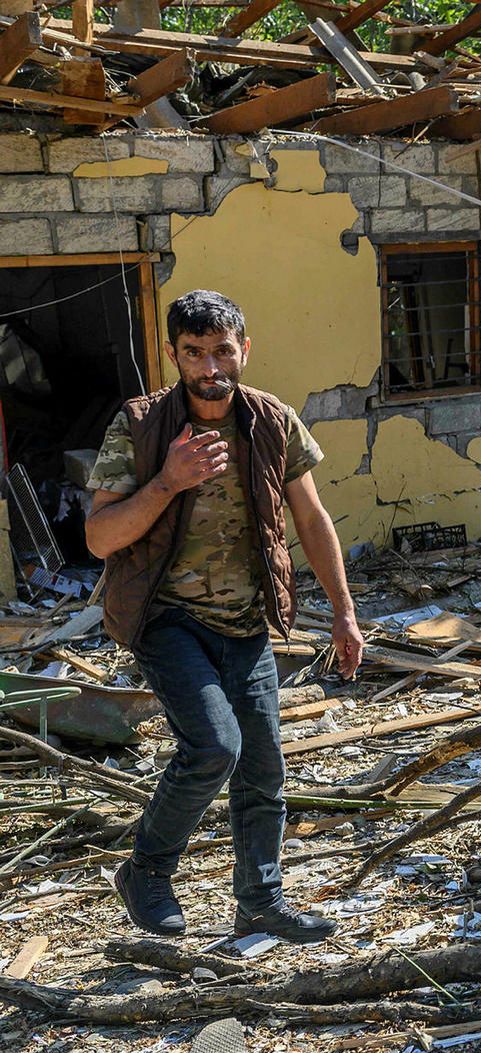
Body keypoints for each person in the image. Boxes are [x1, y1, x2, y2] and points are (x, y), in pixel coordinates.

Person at [84, 289, 365, 942]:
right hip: (166, 618)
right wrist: (167, 481)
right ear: (175, 356)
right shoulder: (141, 424)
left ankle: (260, 901)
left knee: (264, 768)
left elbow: (311, 518)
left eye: (221, 350)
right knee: (215, 746)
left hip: (246, 621)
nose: (210, 367)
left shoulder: (272, 420)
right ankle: (146, 870)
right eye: (194, 353)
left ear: (245, 347)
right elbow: (100, 537)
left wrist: (345, 613)